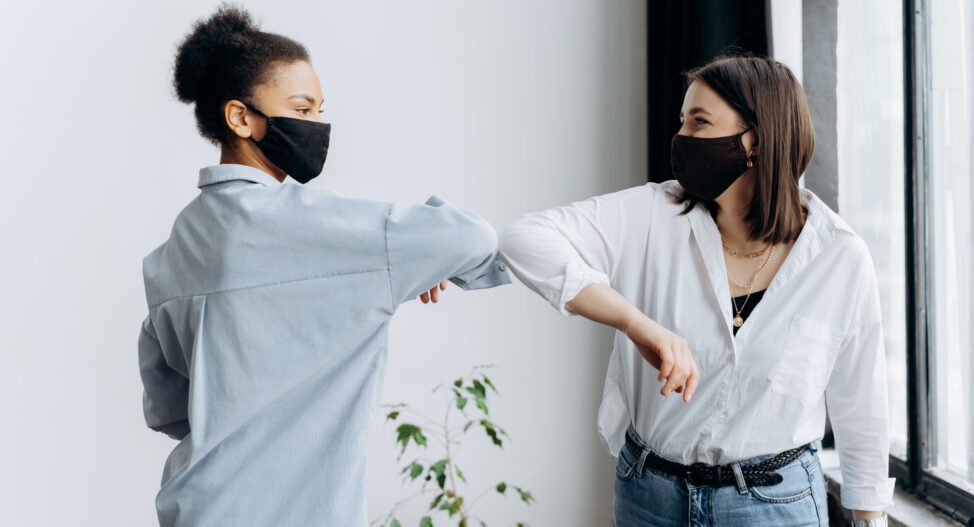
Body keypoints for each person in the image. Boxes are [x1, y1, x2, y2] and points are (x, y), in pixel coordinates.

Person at [137, 5, 509, 526]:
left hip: (193, 508)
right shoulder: (315, 226)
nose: (318, 125)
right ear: (240, 117)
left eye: (319, 110)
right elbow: (472, 237)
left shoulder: (169, 255)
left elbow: (169, 413)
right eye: (303, 108)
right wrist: (422, 263)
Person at [499, 55, 893, 526]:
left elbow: (861, 408)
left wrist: (870, 521)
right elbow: (523, 238)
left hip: (774, 507)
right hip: (650, 497)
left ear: (758, 142)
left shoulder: (839, 258)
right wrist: (636, 323)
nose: (682, 138)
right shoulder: (653, 214)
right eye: (682, 121)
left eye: (699, 122)